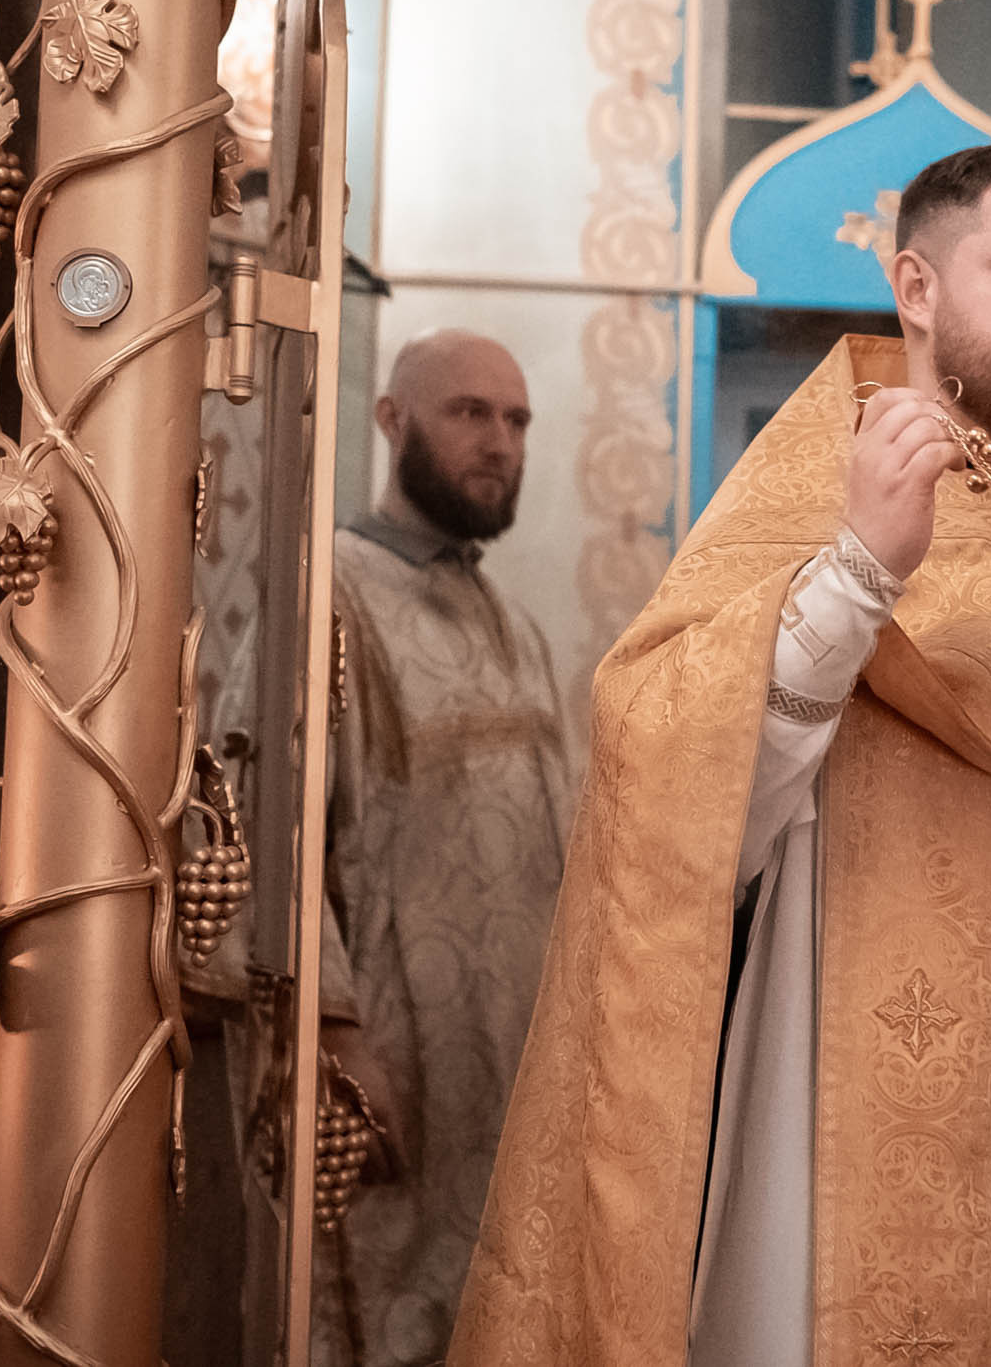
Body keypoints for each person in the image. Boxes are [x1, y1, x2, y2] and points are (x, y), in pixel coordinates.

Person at [452, 145, 991, 1367]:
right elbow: (684, 803)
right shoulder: (810, 490)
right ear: (917, 289)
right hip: (853, 1106)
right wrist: (857, 570)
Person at [323, 328, 576, 1365]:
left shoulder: (514, 619)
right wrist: (335, 1032)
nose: (500, 442)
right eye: (470, 412)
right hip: (399, 1056)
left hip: (514, 1059)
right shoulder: (330, 594)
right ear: (392, 420)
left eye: (516, 419)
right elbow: (273, 827)